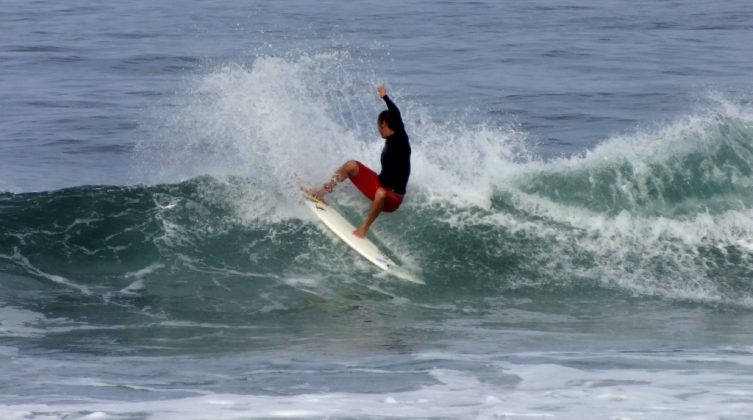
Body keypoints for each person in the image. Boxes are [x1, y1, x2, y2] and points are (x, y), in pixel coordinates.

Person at [311, 84, 411, 238]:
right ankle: (322, 191)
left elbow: (395, 113)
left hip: (392, 198)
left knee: (381, 193)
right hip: (379, 184)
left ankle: (363, 229)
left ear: (385, 125)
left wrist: (385, 97)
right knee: (351, 165)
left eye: (379, 126)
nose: (378, 129)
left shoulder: (401, 140)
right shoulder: (390, 140)